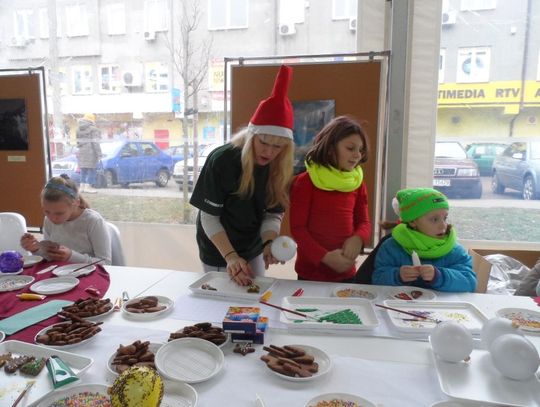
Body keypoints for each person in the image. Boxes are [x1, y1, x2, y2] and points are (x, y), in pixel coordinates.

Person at [190, 65, 295, 286]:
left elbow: (273, 214)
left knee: (254, 294)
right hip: (217, 247)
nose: (269, 152)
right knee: (224, 295)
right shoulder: (223, 160)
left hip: (251, 245)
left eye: (277, 147)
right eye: (263, 143)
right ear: (251, 136)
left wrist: (268, 243)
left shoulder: (281, 168)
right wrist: (231, 257)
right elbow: (209, 217)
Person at [289, 116, 372, 282]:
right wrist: (324, 257)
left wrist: (358, 238)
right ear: (329, 148)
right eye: (350, 148)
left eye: (360, 150)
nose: (357, 155)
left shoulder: (357, 183)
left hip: (346, 273)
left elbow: (364, 222)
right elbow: (298, 229)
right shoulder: (305, 182)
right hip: (310, 273)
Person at [372, 187, 477, 292]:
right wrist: (397, 276)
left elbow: (469, 281)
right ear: (413, 221)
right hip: (398, 301)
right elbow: (377, 279)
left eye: (445, 218)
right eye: (434, 219)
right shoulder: (391, 247)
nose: (443, 225)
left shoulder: (454, 250)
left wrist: (439, 276)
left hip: (441, 303)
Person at [20, 175, 112, 265]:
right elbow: (50, 258)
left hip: (89, 273)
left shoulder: (93, 221)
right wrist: (35, 249)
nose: (52, 218)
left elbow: (106, 263)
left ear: (76, 203)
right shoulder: (48, 220)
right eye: (46, 211)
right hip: (60, 272)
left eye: (59, 213)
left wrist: (71, 256)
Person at [76, 113, 101, 193]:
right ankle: (88, 187)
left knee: (83, 169)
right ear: (92, 120)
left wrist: (81, 146)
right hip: (91, 151)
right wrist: (99, 154)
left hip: (81, 150)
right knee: (92, 169)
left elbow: (77, 141)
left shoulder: (78, 128)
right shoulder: (93, 129)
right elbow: (95, 142)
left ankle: (82, 187)